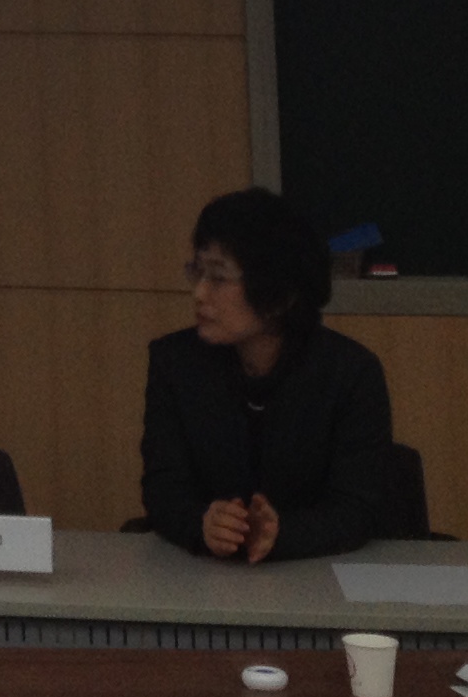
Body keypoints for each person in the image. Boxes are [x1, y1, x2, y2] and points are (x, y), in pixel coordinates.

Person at [140, 185, 399, 562]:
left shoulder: (350, 374)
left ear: (279, 296)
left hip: (318, 572)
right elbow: (163, 489)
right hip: (205, 576)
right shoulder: (175, 363)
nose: (199, 293)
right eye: (197, 272)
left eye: (218, 277)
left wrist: (283, 534)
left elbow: (357, 508)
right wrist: (202, 523)